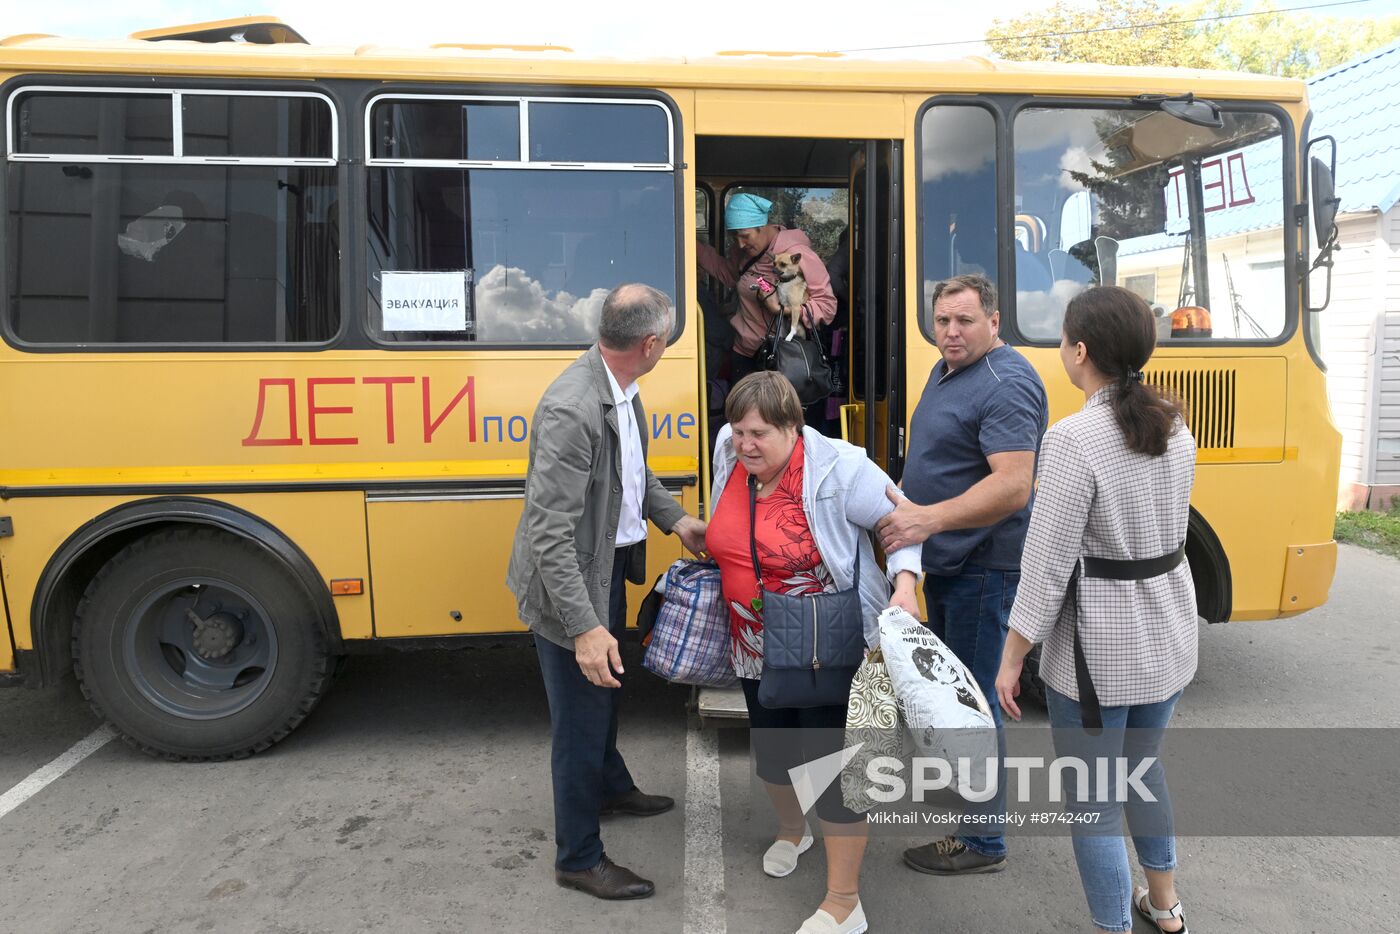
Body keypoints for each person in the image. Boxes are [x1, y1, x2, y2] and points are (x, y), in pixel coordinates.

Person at [994, 286, 1196, 934]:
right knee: (1143, 772)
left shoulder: (1075, 438)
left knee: (1095, 803)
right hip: (1167, 632)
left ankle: (1113, 926)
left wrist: (1012, 656)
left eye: (1061, 339)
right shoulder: (1175, 422)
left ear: (1080, 351)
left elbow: (1047, 567)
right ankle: (1164, 907)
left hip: (1099, 653)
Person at [505, 283, 708, 900]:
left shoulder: (621, 390)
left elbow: (635, 477)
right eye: (667, 338)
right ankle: (578, 856)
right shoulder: (575, 408)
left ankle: (611, 786)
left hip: (606, 568)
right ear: (651, 343)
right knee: (580, 720)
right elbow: (548, 536)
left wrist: (678, 521)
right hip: (572, 586)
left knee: (608, 696)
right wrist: (585, 627)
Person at [705, 371, 922, 934]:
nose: (744, 444)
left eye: (758, 434)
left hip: (833, 645)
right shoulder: (728, 458)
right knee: (775, 756)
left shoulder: (838, 467)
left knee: (837, 769)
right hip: (754, 642)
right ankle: (792, 830)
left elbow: (903, 521)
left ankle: (845, 902)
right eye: (736, 430)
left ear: (792, 428)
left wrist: (905, 584)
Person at [876, 273, 1048, 875]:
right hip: (945, 564)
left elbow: (1013, 485)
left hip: (982, 570)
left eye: (965, 321)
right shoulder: (947, 369)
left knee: (973, 707)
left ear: (994, 322)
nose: (951, 331)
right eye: (943, 320)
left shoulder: (1006, 382)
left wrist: (927, 520)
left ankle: (983, 840)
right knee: (951, 699)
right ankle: (972, 801)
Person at [695, 193, 837, 384]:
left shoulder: (796, 254)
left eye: (745, 236)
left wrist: (782, 310)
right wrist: (688, 243)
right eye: (734, 237)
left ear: (763, 226)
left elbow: (827, 307)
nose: (740, 244)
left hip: (782, 358)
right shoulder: (745, 253)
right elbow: (729, 274)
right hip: (744, 354)